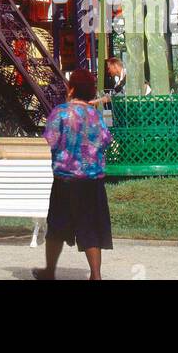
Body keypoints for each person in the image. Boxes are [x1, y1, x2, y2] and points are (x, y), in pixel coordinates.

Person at [33, 68, 113, 281]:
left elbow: (51, 139)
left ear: (72, 89)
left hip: (65, 181)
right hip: (92, 182)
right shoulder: (96, 115)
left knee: (57, 226)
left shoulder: (60, 112)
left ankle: (49, 271)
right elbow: (106, 140)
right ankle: (95, 275)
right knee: (91, 228)